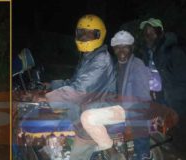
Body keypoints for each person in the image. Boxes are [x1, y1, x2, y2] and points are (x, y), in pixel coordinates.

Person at [40, 14, 117, 160]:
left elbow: (79, 90)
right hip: (88, 104)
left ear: (99, 35)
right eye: (82, 33)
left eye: (90, 34)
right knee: (50, 120)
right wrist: (52, 85)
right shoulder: (89, 56)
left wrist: (48, 97)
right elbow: (74, 81)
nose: (85, 38)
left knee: (77, 155)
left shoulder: (101, 59)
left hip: (98, 108)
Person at [80, 30, 153, 160]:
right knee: (86, 110)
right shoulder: (116, 66)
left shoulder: (137, 65)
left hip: (131, 111)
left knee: (88, 117)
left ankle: (114, 152)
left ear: (132, 48)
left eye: (125, 46)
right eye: (118, 47)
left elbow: (143, 101)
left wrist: (132, 124)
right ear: (114, 49)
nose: (121, 50)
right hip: (119, 107)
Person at [138, 18, 186, 115]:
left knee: (175, 128)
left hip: (173, 104)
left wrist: (172, 100)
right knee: (157, 129)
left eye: (152, 31)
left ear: (161, 32)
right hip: (156, 101)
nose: (149, 35)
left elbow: (183, 81)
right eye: (146, 32)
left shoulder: (174, 51)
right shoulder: (146, 53)